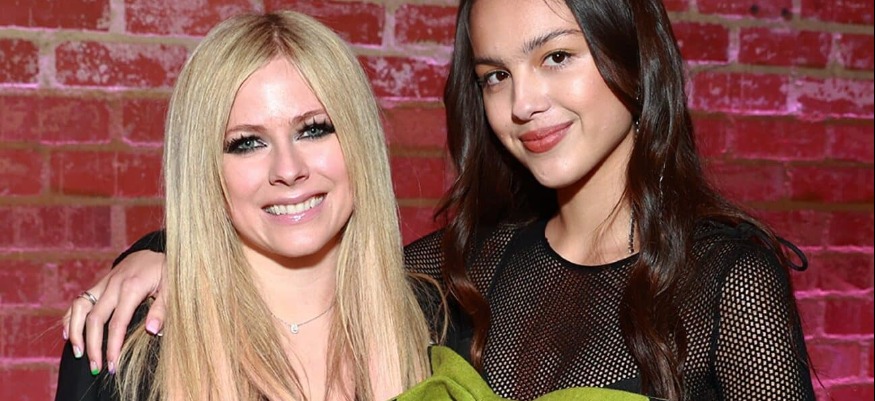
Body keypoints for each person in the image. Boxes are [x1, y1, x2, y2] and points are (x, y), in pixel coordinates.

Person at [63, 0, 817, 400]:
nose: (524, 102)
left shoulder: (725, 279)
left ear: (634, 55)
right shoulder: (462, 277)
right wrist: (164, 254)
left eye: (556, 56)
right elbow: (332, 264)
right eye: (495, 75)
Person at [54, 10, 435, 401]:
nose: (288, 170)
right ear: (205, 171)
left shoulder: (440, 330)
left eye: (313, 130)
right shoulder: (125, 347)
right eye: (248, 143)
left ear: (360, 140)